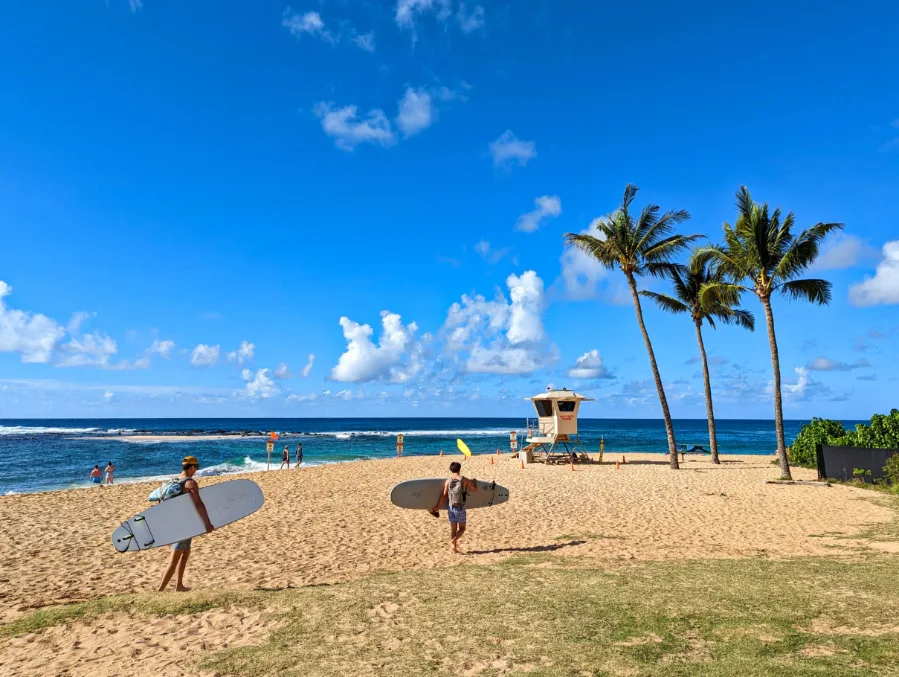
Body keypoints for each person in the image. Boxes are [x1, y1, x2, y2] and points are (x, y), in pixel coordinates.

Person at [159, 456, 214, 592]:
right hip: (183, 526)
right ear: (192, 467)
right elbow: (198, 504)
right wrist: (207, 523)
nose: (196, 470)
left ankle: (179, 585)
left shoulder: (172, 481)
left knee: (185, 553)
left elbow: (160, 503)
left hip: (177, 523)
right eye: (197, 467)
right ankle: (160, 590)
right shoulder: (190, 483)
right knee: (175, 558)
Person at [429, 461, 478, 553]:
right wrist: (474, 482)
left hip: (451, 508)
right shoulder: (464, 480)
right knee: (462, 528)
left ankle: (454, 548)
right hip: (460, 508)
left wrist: (437, 507)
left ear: (451, 470)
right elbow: (474, 489)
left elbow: (443, 496)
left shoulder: (448, 481)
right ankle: (454, 540)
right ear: (459, 469)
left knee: (453, 529)